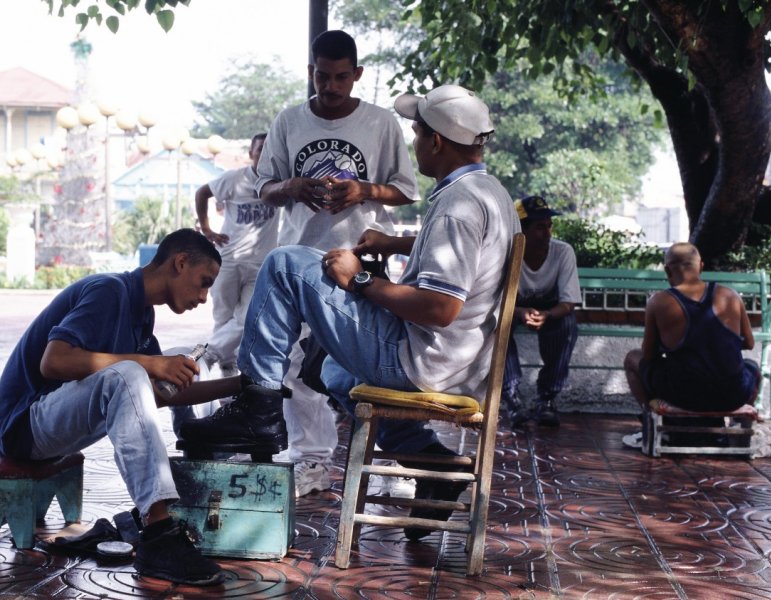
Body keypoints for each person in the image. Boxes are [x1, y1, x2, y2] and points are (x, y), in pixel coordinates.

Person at [180, 83, 520, 540]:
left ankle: (257, 405)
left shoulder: (457, 206)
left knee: (285, 263)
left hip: (422, 359)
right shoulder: (487, 192)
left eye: (418, 134)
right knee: (337, 374)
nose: (415, 142)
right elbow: (465, 256)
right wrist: (395, 243)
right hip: (456, 357)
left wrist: (359, 279)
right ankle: (434, 463)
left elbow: (440, 307)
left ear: (436, 141)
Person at [0, 229, 240, 587]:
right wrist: (149, 363)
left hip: (55, 423)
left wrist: (243, 385)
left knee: (151, 371)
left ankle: (196, 447)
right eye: (203, 283)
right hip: (23, 425)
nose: (203, 297)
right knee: (128, 373)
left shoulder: (141, 314)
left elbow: (161, 393)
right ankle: (159, 534)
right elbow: (53, 362)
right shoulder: (109, 291)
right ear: (180, 262)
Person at [253, 29, 417, 497]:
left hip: (360, 262)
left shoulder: (381, 123)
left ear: (357, 74)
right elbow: (263, 186)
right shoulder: (288, 121)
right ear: (311, 73)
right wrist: (292, 187)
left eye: (341, 77)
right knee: (297, 365)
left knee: (368, 365)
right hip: (299, 261)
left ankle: (387, 464)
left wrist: (364, 190)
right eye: (322, 77)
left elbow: (404, 189)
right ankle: (313, 460)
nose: (331, 86)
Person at [622, 242, 761, 447]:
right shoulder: (731, 296)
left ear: (668, 270)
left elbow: (648, 355)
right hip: (732, 394)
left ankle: (649, 422)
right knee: (752, 367)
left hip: (682, 394)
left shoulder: (658, 302)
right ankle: (736, 430)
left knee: (632, 358)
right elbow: (749, 343)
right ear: (701, 266)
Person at [195, 133, 277, 375]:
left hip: (261, 262)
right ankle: (226, 378)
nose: (264, 153)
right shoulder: (234, 179)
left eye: (269, 149)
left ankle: (205, 355)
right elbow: (202, 193)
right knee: (223, 318)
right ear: (251, 153)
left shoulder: (280, 185)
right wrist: (207, 228)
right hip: (228, 260)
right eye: (260, 148)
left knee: (248, 317)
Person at [502, 195, 580, 428]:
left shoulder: (562, 252)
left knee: (567, 326)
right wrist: (519, 312)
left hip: (550, 309)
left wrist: (546, 315)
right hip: (513, 307)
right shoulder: (506, 253)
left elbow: (569, 303)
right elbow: (494, 299)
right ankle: (511, 397)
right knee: (496, 326)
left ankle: (546, 398)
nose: (547, 233)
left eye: (548, 226)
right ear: (521, 230)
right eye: (539, 227)